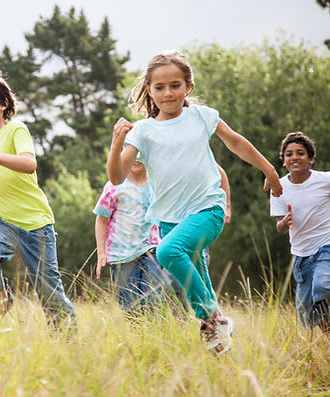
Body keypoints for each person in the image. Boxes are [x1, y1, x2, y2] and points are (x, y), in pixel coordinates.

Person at [107, 50, 282, 354]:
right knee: (197, 271)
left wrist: (268, 168)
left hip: (207, 209)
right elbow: (117, 176)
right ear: (149, 90)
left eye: (175, 85)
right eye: (159, 87)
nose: (167, 92)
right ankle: (218, 341)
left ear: (188, 86)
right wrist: (116, 144)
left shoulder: (201, 116)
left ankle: (211, 317)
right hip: (168, 219)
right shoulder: (144, 131)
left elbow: (236, 142)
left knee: (167, 252)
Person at [0, 69, 76, 329]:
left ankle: (68, 340)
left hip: (35, 224)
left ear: (3, 104)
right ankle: (2, 298)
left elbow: (29, 163)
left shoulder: (16, 129)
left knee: (48, 291)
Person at [94, 161, 177, 314]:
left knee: (155, 302)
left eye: (141, 151)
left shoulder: (157, 184)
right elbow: (101, 219)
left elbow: (168, 217)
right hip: (121, 257)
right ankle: (137, 337)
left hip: (152, 251)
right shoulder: (114, 185)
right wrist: (101, 253)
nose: (137, 158)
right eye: (132, 151)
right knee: (130, 310)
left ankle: (156, 334)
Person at [270, 132, 330, 333]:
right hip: (301, 254)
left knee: (321, 286)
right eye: (289, 154)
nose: (294, 157)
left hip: (326, 246)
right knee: (306, 313)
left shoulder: (325, 180)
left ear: (311, 158)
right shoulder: (278, 187)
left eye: (300, 153)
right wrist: (285, 222)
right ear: (284, 160)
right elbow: (279, 227)